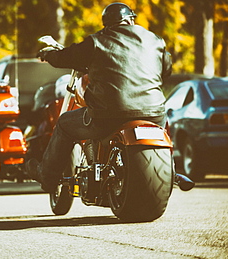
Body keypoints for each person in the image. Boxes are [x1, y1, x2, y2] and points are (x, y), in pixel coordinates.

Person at [26, 2, 172, 192]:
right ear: (131, 20)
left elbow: (67, 57)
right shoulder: (156, 40)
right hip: (154, 113)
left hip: (109, 115)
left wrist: (49, 54)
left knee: (64, 124)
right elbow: (166, 70)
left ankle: (47, 177)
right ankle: (172, 169)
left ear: (107, 24)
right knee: (164, 130)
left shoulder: (98, 41)